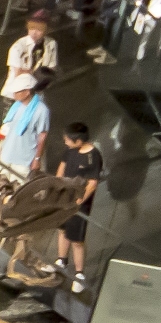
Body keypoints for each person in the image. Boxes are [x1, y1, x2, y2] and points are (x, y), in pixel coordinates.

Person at [49, 123, 104, 287]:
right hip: (64, 197)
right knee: (62, 230)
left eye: (68, 139)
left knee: (77, 240)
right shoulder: (70, 151)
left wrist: (80, 200)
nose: (65, 142)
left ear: (79, 140)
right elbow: (62, 167)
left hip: (78, 203)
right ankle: (61, 261)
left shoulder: (93, 156)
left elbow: (92, 183)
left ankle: (79, 274)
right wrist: (57, 186)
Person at [0, 72, 49, 175]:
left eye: (17, 91)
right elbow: (6, 129)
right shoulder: (15, 106)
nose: (14, 94)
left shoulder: (41, 110)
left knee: (19, 188)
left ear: (27, 92)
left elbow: (42, 136)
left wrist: (37, 159)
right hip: (6, 156)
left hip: (23, 160)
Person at [6, 12, 58, 84]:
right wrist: (37, 73)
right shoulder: (18, 47)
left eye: (39, 29)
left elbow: (52, 68)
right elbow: (18, 73)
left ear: (47, 30)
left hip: (39, 85)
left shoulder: (51, 43)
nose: (34, 32)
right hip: (19, 87)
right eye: (31, 28)